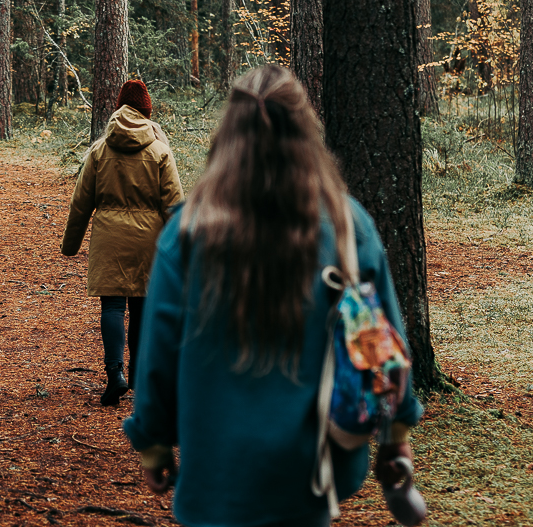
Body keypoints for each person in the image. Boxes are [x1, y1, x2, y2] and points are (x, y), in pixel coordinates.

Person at [122, 65, 422, 527]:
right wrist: (395, 437)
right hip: (309, 480)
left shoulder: (187, 232)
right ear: (306, 134)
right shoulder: (346, 226)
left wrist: (154, 443)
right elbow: (386, 348)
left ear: (228, 135)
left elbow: (156, 354)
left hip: (215, 479)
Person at [62, 80, 184, 406]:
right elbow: (174, 203)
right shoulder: (160, 150)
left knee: (113, 307)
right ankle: (140, 376)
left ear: (118, 108)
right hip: (149, 242)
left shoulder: (100, 149)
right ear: (147, 111)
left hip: (109, 239)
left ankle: (115, 374)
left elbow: (81, 201)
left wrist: (70, 244)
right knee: (143, 310)